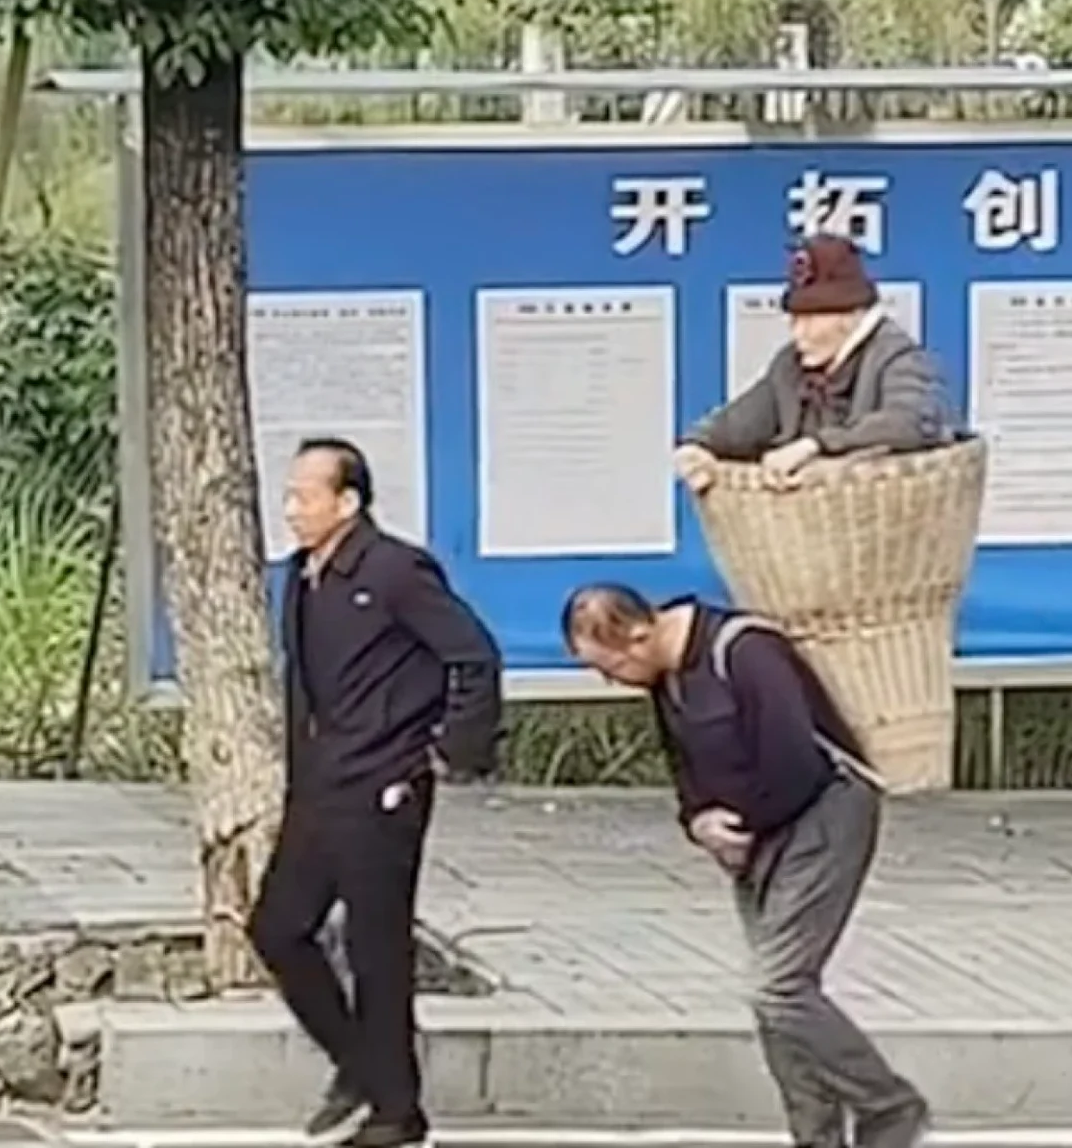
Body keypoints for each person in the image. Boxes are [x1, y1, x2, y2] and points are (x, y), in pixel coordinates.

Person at [562, 583, 930, 1148]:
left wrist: (743, 828)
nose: (612, 682)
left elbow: (791, 759)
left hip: (822, 812)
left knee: (777, 988)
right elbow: (683, 764)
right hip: (753, 833)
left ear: (637, 635)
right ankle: (815, 1133)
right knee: (778, 1005)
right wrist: (698, 822)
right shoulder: (668, 679)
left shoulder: (745, 651)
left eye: (610, 667)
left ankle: (887, 1105)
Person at [247, 437, 502, 1148]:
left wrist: (453, 749)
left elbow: (473, 653)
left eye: (306, 494)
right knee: (277, 926)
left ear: (348, 501)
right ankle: (363, 1067)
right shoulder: (303, 574)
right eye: (291, 493)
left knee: (376, 945)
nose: (293, 508)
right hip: (320, 783)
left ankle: (398, 1110)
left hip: (383, 784)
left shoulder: (395, 569)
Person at [676, 233, 957, 494]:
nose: (799, 334)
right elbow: (741, 421)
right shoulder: (790, 367)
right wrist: (698, 445)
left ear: (849, 316)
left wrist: (816, 445)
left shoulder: (899, 358)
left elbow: (910, 421)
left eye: (811, 320)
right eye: (795, 320)